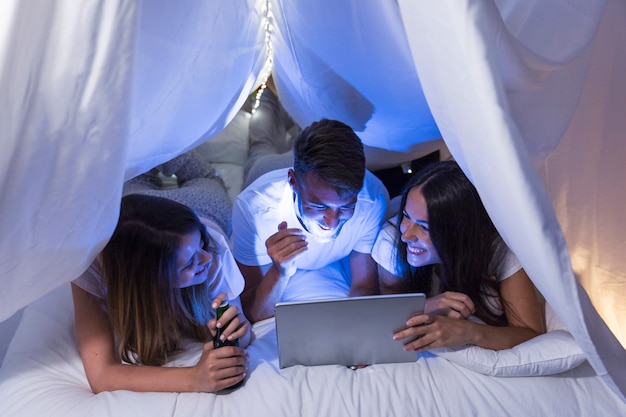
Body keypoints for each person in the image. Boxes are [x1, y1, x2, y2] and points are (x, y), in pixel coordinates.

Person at [71, 153, 251, 394]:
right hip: (136, 226)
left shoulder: (213, 250)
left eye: (202, 247)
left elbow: (244, 329)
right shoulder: (89, 266)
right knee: (134, 174)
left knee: (197, 173)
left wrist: (238, 331)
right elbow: (102, 375)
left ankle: (165, 147)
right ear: (148, 279)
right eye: (189, 263)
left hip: (197, 209)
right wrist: (193, 378)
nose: (205, 259)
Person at [232, 87, 390, 323]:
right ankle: (268, 93)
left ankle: (295, 116)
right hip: (264, 169)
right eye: (319, 207)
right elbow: (252, 312)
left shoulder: (373, 199)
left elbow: (363, 286)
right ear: (293, 182)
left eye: (346, 207)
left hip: (308, 174)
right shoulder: (253, 209)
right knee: (261, 143)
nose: (332, 222)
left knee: (295, 134)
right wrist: (279, 270)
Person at [372, 160, 545, 351]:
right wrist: (424, 306)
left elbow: (531, 333)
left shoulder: (497, 249)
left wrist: (469, 332)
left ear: (459, 232)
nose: (406, 235)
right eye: (406, 216)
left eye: (424, 227)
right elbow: (385, 318)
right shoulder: (391, 240)